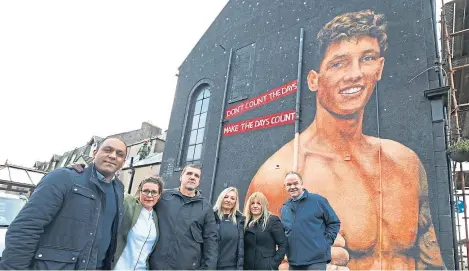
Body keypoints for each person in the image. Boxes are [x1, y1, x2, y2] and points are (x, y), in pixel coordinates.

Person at [247, 9, 446, 270]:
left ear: (380, 68)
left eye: (367, 58)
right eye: (338, 63)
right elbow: (262, 261)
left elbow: (430, 260)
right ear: (314, 80)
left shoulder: (405, 163)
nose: (355, 74)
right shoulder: (280, 177)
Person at [0, 138, 127, 270]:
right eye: (107, 150)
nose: (113, 156)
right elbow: (25, 229)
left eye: (119, 154)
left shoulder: (118, 189)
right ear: (94, 153)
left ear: (123, 162)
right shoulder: (64, 178)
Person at [149, 164, 218, 270]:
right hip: (156, 265)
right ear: (181, 177)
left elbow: (211, 241)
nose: (192, 177)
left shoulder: (206, 207)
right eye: (189, 173)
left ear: (199, 181)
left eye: (196, 175)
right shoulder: (163, 198)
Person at [281, 171, 340, 270]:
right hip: (294, 261)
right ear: (285, 187)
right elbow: (285, 231)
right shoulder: (285, 207)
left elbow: (334, 223)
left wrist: (324, 243)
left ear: (302, 184)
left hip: (316, 260)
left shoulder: (318, 201)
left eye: (295, 183)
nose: (292, 187)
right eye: (289, 185)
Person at [113, 176, 163, 270]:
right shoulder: (129, 204)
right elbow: (112, 190)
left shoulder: (155, 217)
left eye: (154, 192)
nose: (149, 195)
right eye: (145, 191)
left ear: (159, 195)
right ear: (139, 192)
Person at [243, 192, 286, 270]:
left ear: (264, 205)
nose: (255, 206)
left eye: (259, 203)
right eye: (252, 203)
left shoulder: (272, 220)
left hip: (265, 266)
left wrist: (273, 264)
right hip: (247, 266)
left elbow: (283, 244)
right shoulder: (244, 223)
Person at [213, 187, 245, 270]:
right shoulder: (210, 218)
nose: (228, 200)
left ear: (235, 202)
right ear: (221, 198)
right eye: (226, 197)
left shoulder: (240, 220)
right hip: (213, 266)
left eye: (232, 198)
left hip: (232, 267)